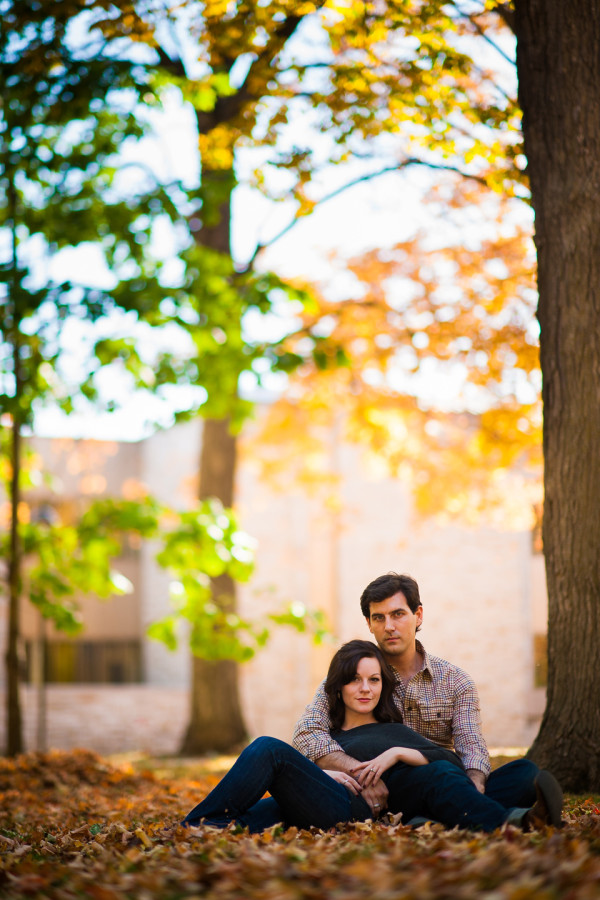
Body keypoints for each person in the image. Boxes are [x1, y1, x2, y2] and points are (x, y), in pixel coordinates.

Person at [182, 640, 562, 833]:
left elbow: (453, 764)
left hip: (396, 803)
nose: (364, 688)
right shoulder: (327, 733)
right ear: (338, 686)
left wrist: (397, 753)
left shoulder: (396, 730)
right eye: (354, 679)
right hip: (339, 802)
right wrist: (326, 773)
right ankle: (200, 823)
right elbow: (302, 746)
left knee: (521, 771)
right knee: (266, 758)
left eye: (374, 679)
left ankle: (465, 822)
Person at [292, 572, 558, 821]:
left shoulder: (456, 681)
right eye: (379, 618)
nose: (389, 627)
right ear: (369, 624)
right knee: (440, 776)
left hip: (444, 778)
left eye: (398, 614)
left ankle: (447, 813)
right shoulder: (353, 676)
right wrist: (364, 776)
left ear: (418, 615)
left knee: (524, 773)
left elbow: (472, 748)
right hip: (385, 789)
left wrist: (475, 784)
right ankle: (509, 820)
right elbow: (307, 732)